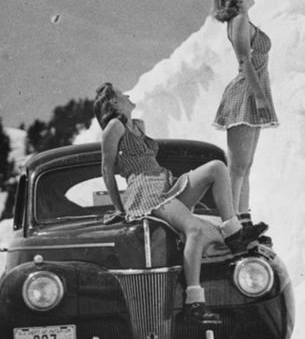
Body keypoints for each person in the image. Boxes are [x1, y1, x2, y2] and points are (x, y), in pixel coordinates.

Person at [94, 82, 264, 325]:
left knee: (216, 168)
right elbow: (106, 169)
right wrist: (120, 208)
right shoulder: (113, 127)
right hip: (147, 192)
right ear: (112, 103)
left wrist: (139, 131)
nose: (128, 95)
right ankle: (194, 303)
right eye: (122, 94)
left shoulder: (135, 126)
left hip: (166, 184)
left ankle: (233, 232)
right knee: (194, 229)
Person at [212, 0, 278, 233]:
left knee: (246, 165)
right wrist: (261, 99)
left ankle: (245, 217)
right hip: (245, 94)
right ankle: (234, 223)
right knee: (237, 166)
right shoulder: (238, 23)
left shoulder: (243, 16)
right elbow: (247, 65)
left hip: (252, 93)